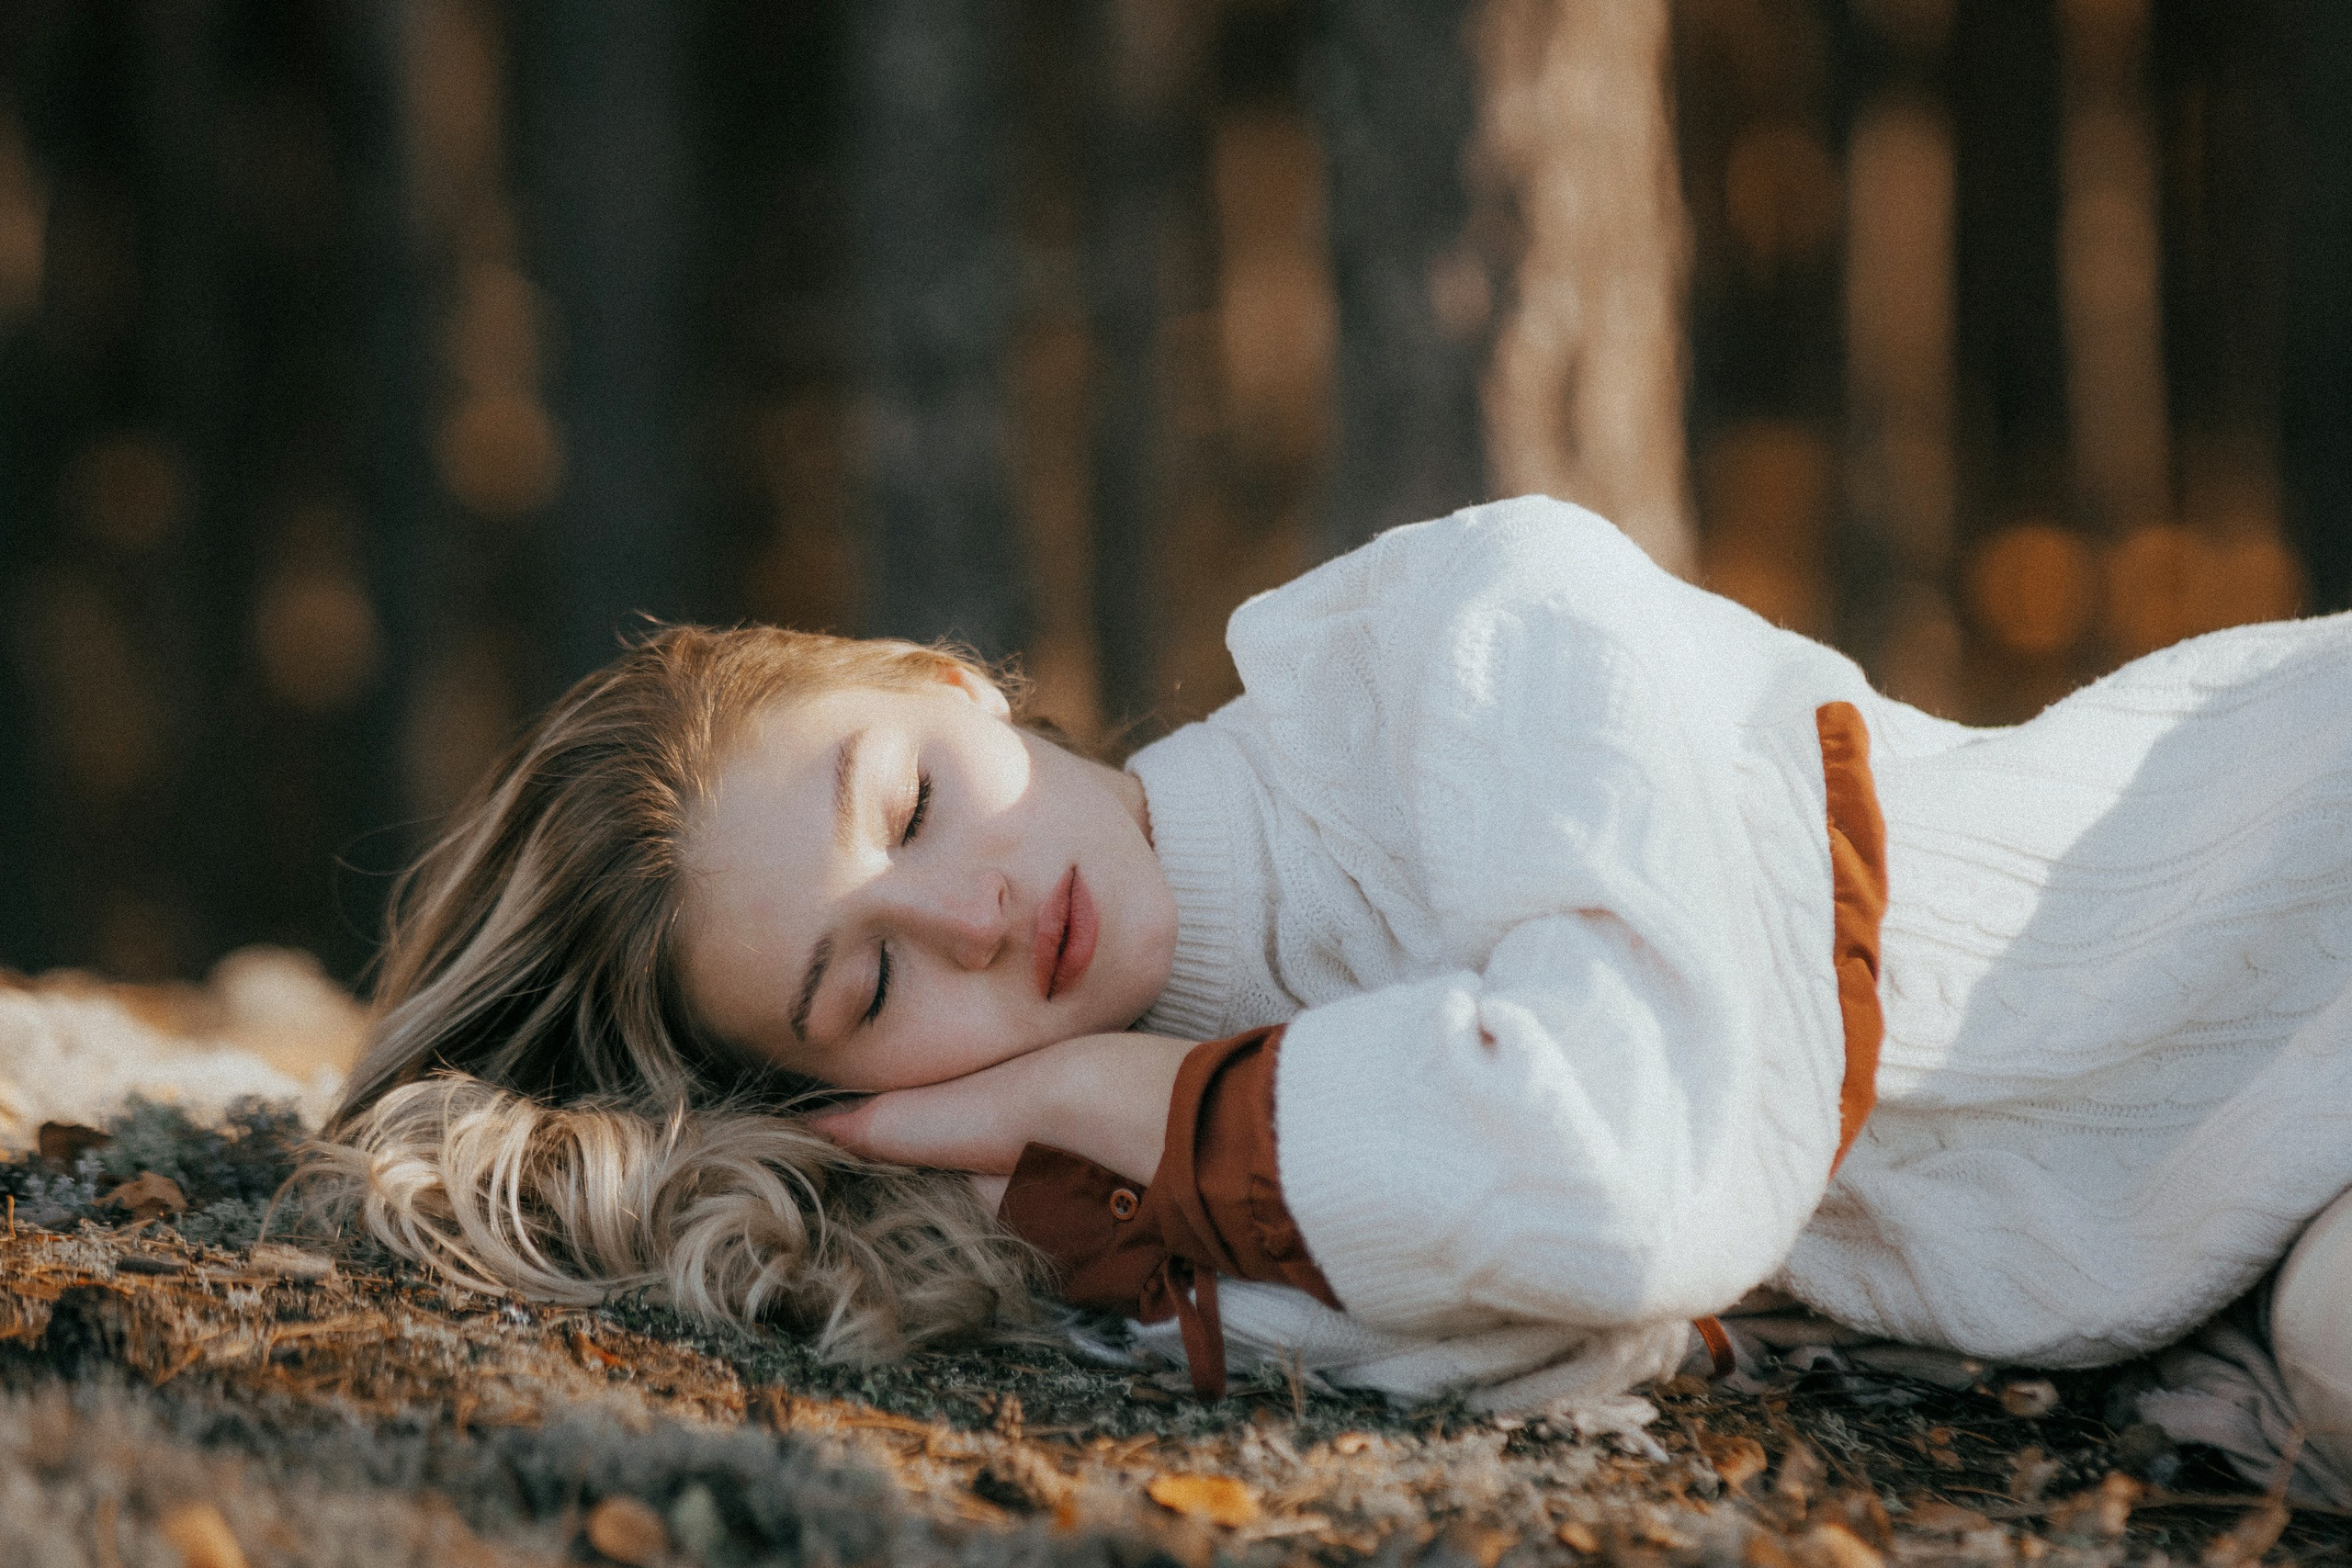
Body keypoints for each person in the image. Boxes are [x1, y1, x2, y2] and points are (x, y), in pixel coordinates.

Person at [316, 497, 2352, 1476]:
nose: (968, 911)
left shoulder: (1469, 628)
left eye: (913, 799)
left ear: (956, 681)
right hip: (2263, 1201)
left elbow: (1638, 1171)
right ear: (825, 1089)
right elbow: (1586, 1339)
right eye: (862, 988)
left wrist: (1143, 1114)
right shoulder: (1138, 1217)